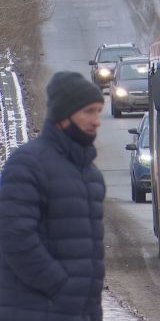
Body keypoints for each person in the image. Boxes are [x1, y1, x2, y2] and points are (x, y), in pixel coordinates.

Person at [0, 71, 106, 321]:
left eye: (98, 111)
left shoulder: (91, 175)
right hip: (36, 310)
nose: (97, 120)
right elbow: (15, 237)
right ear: (63, 115)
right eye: (88, 111)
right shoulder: (27, 164)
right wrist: (60, 285)